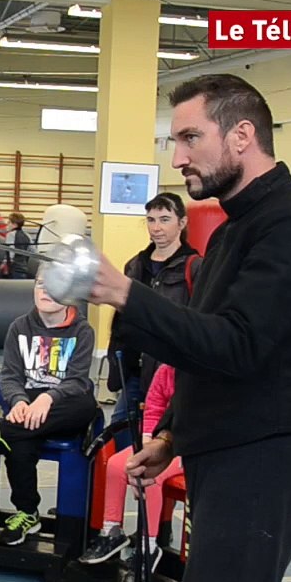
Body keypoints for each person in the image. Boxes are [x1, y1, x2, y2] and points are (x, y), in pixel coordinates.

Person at [88, 73, 291, 582]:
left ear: (241, 134)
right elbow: (204, 351)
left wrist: (127, 294)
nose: (177, 157)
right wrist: (174, 433)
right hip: (226, 453)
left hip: (264, 461)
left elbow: (240, 345)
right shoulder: (234, 228)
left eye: (189, 138)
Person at [0, 273, 98, 545]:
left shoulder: (83, 331)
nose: (46, 290)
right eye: (41, 284)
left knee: (85, 404)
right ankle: (28, 513)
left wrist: (48, 399)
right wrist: (19, 402)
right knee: (23, 441)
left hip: (63, 404)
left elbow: (76, 380)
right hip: (27, 404)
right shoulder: (19, 327)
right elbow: (11, 376)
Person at [106, 192, 203, 449]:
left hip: (170, 374)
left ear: (181, 223)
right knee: (122, 433)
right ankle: (133, 488)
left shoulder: (195, 268)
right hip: (133, 370)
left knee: (162, 440)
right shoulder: (134, 266)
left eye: (164, 219)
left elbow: (198, 323)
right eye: (150, 220)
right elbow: (120, 318)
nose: (156, 228)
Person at [80, 363, 183, 582]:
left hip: (186, 448)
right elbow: (154, 407)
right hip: (158, 442)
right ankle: (111, 532)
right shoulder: (165, 370)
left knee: (150, 476)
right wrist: (147, 442)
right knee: (117, 464)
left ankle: (149, 545)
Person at [0, 212, 35, 279]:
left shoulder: (11, 234)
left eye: (9, 222)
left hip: (14, 270)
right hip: (24, 269)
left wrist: (4, 263)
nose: (7, 224)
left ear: (15, 225)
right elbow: (33, 251)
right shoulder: (27, 235)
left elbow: (11, 251)